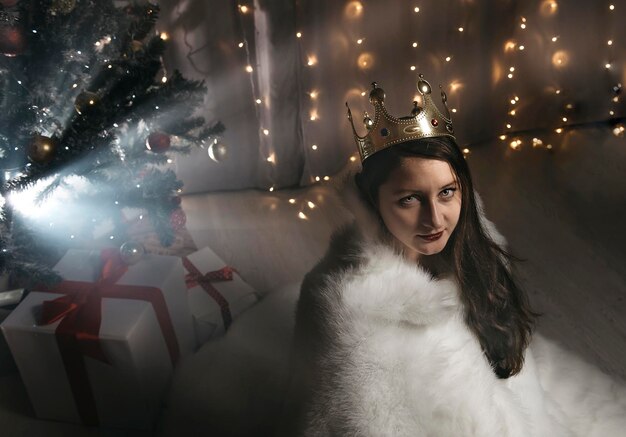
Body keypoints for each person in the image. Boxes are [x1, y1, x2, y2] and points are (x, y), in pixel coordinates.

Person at [278, 75, 626, 436]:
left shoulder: (474, 252)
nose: (434, 219)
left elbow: (512, 373)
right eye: (409, 199)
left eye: (446, 193)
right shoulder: (347, 306)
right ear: (372, 202)